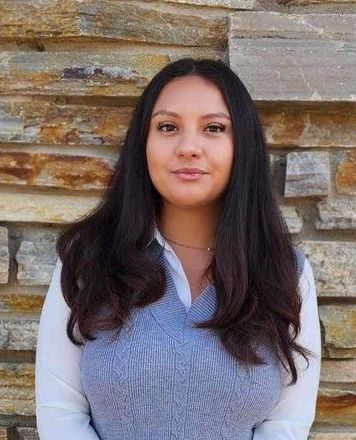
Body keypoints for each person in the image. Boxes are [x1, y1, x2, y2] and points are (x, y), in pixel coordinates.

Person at [35, 57, 321, 439]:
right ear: (144, 143)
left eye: (214, 128)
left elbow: (286, 423)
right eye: (168, 127)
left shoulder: (285, 273)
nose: (189, 147)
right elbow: (60, 412)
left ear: (244, 147)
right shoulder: (86, 263)